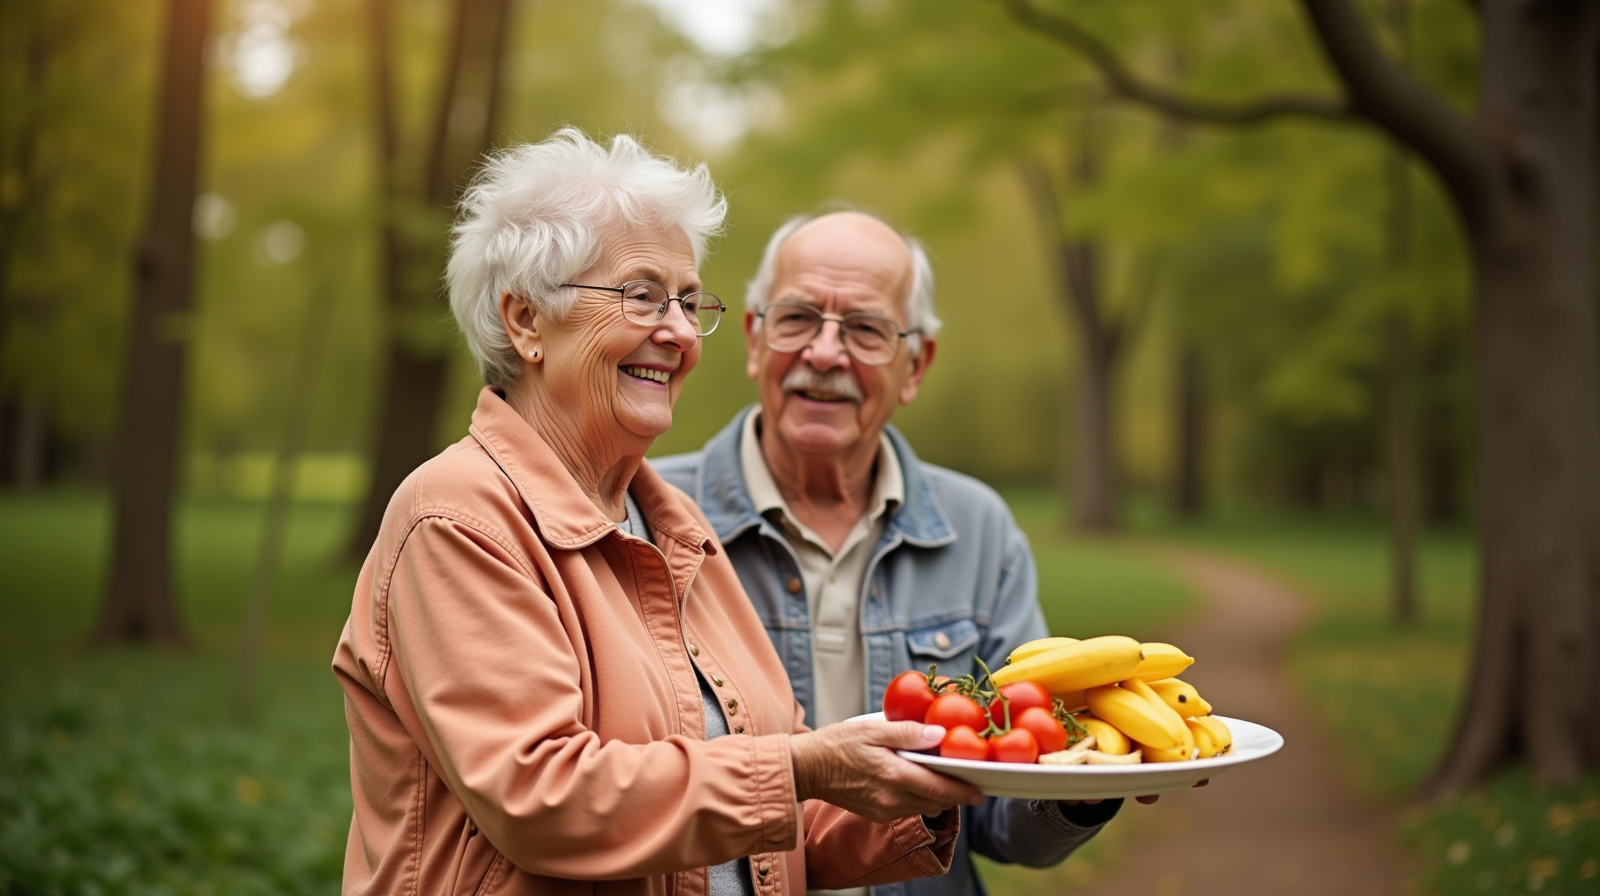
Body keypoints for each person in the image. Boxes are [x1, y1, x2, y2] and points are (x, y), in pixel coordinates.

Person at [332, 132, 987, 896]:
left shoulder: (672, 523)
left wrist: (921, 782)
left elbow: (778, 811)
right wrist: (802, 767)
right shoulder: (458, 518)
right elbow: (544, 799)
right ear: (526, 321)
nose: (677, 332)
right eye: (641, 295)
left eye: (687, 300)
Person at [654, 211, 1124, 896]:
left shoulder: (978, 529)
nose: (823, 353)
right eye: (797, 319)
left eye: (867, 330)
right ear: (755, 339)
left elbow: (1007, 807)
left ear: (916, 365)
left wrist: (1080, 787)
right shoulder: (651, 511)